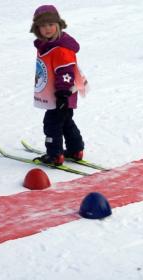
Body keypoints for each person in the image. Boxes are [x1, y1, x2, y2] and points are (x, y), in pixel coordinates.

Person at [30, 5, 88, 166]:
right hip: (60, 93)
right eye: (42, 25)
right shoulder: (47, 45)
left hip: (61, 93)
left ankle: (55, 154)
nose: (47, 29)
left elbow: (65, 72)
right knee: (66, 121)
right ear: (37, 28)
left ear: (58, 24)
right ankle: (76, 149)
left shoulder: (60, 49)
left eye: (50, 24)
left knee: (52, 123)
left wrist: (62, 94)